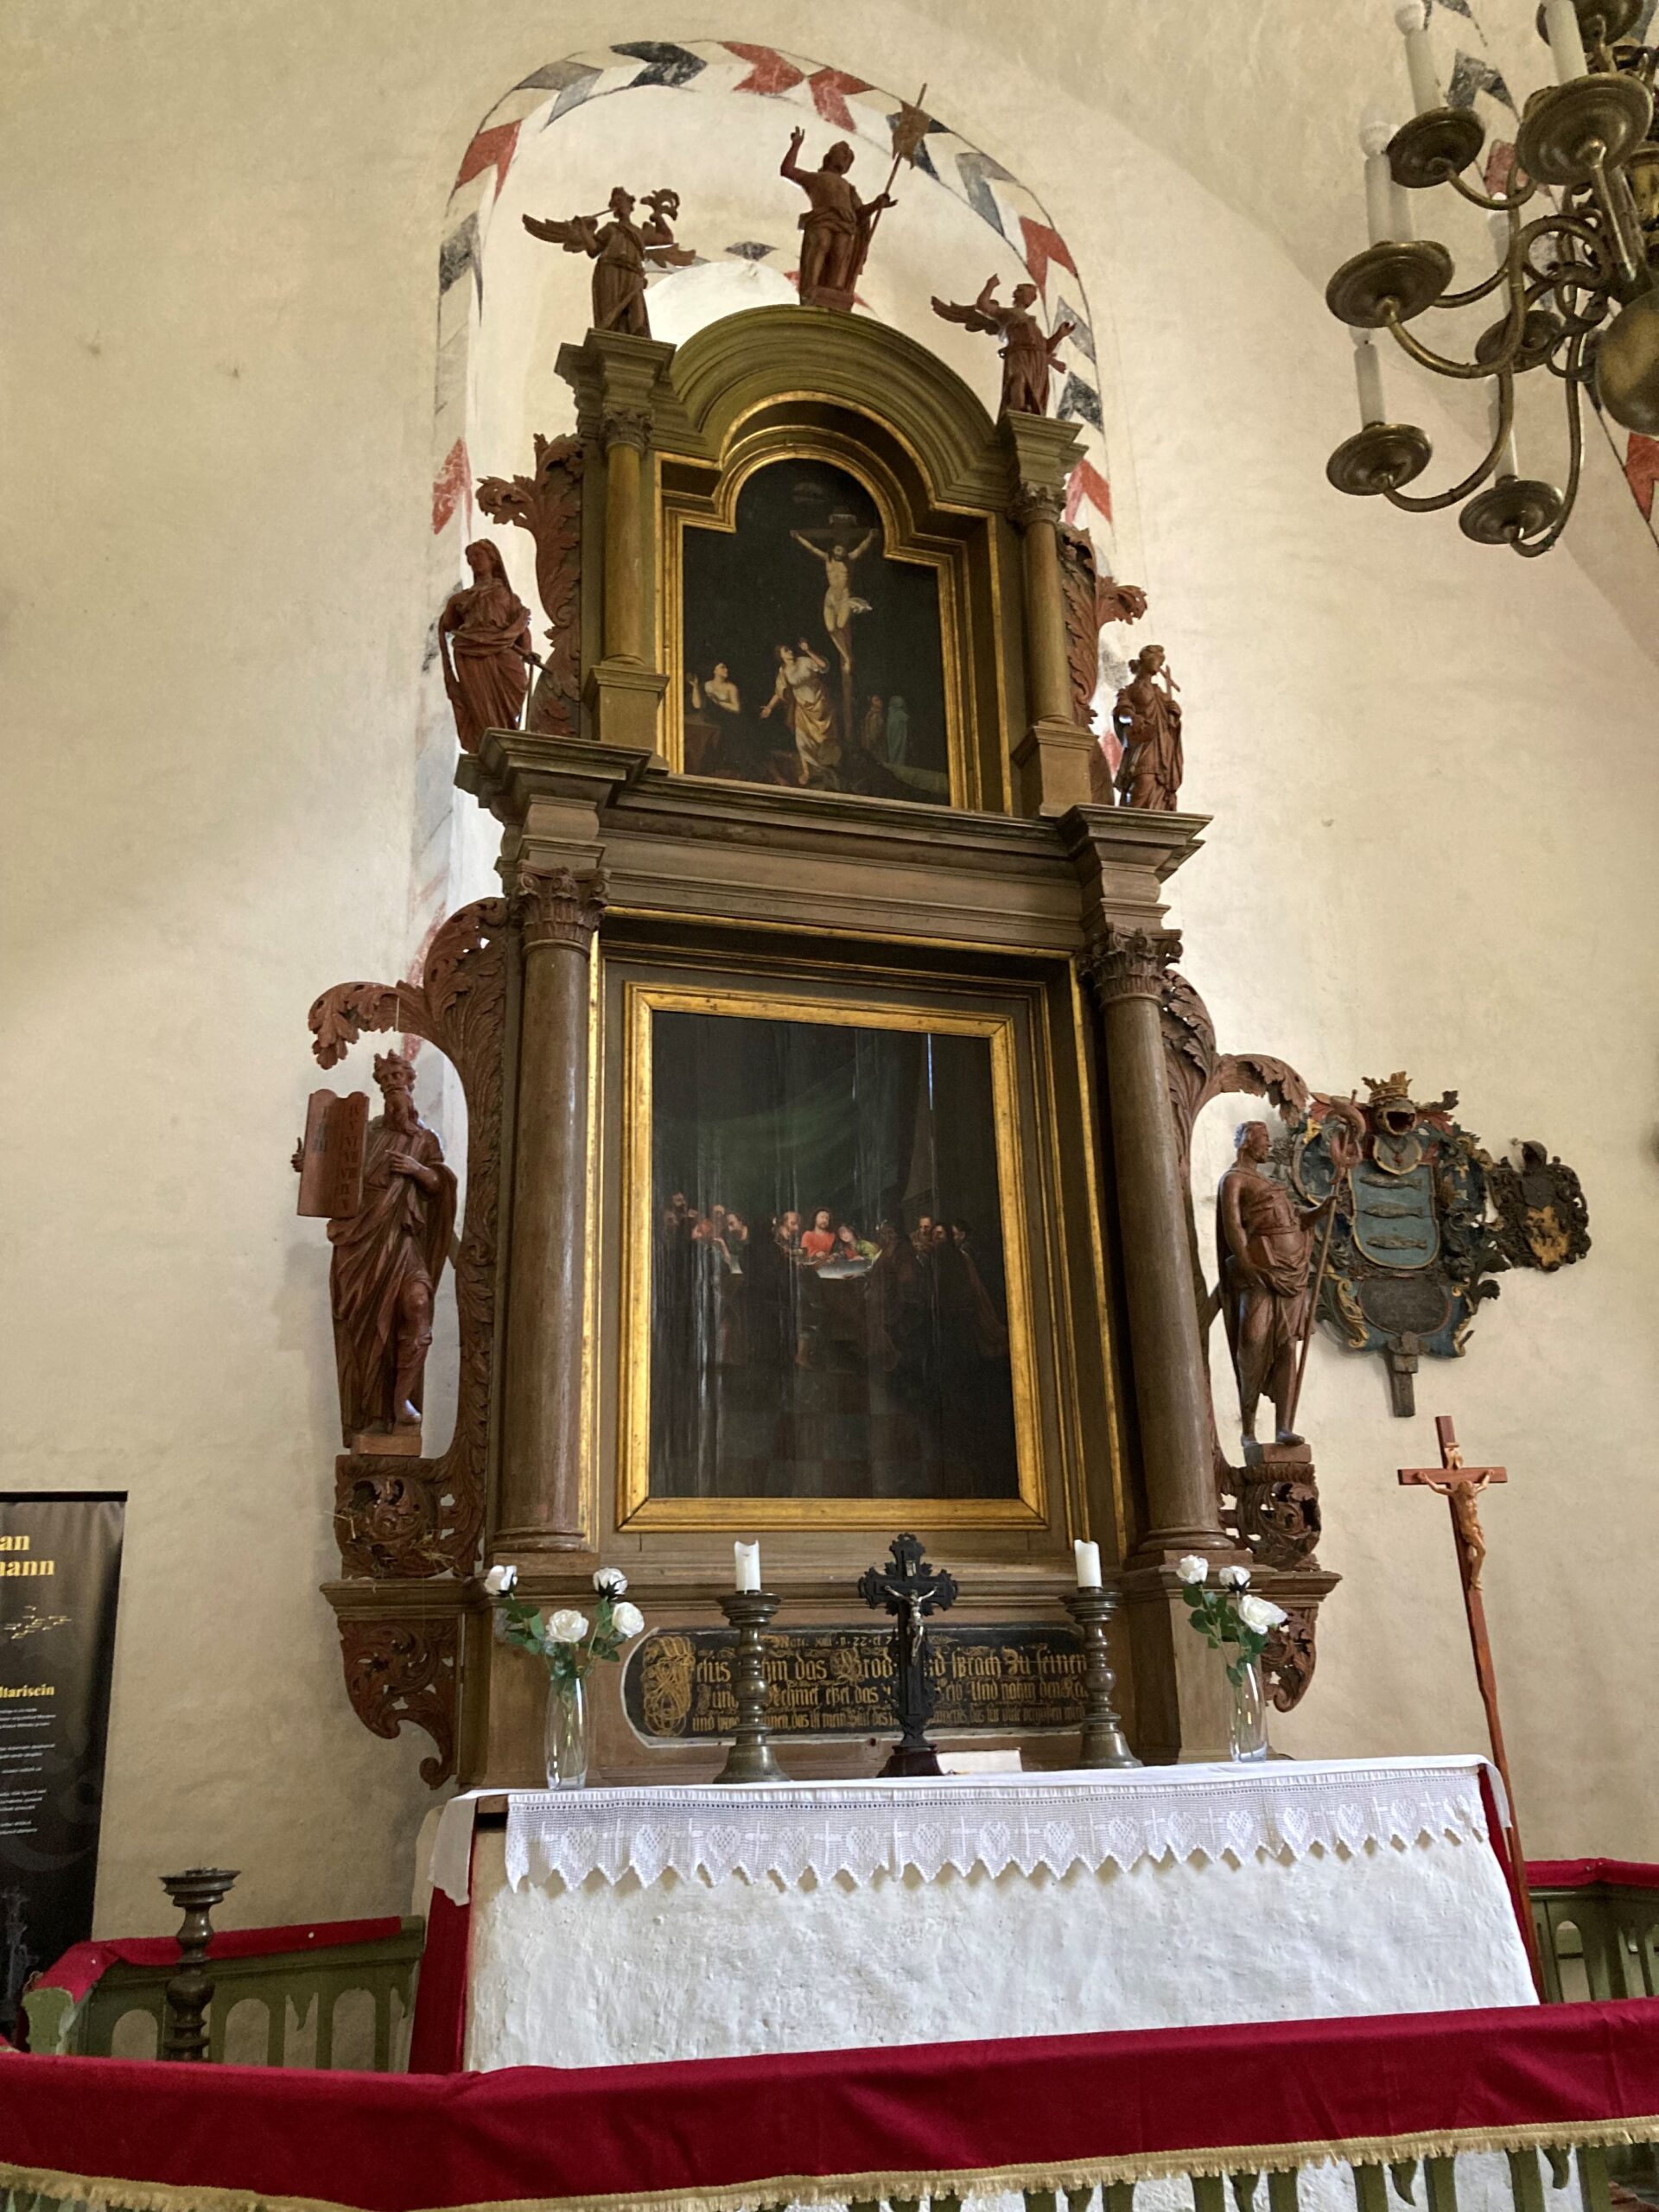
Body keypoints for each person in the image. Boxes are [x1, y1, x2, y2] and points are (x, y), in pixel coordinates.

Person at [319, 1053, 457, 1443]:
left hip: (404, 1239)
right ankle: (371, 1410)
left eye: (400, 1078)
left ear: (411, 1085)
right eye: (388, 1080)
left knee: (417, 1304)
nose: (395, 1086)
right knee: (366, 1331)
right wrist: (309, 1167)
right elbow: (335, 1178)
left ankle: (401, 1401)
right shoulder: (363, 1134)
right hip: (361, 1243)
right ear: (382, 1090)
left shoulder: (425, 1140)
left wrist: (417, 1170)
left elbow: (440, 1185)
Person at [1217, 1121, 1353, 1449]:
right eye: (1264, 1139)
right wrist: (1247, 1265)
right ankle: (1248, 1429)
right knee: (1252, 1342)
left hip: (1292, 1274)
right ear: (1247, 1141)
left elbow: (1297, 1220)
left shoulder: (1271, 1184)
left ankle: (1284, 1427)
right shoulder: (1235, 1179)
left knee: (1287, 1347)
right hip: (1261, 1272)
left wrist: (1322, 1209)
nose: (1269, 1145)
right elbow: (1233, 1225)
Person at [779, 131, 894, 307]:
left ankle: (832, 292)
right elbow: (787, 171)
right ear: (828, 158)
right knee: (821, 244)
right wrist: (796, 145)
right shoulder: (815, 178)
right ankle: (811, 288)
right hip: (822, 218)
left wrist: (876, 204)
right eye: (842, 154)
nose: (845, 158)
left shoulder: (848, 187)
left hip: (845, 224)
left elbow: (859, 213)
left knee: (840, 254)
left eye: (848, 159)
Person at [438, 541, 533, 753]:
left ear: (493, 559)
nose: (473, 561)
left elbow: (521, 628)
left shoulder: (508, 597)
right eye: (470, 558)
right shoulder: (460, 599)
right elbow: (449, 624)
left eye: (478, 555)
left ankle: (507, 737)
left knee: (519, 683)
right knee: (480, 704)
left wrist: (527, 652)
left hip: (503, 648)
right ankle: (488, 745)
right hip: (471, 652)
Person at [790, 529, 875, 677]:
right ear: (833, 550)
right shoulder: (827, 558)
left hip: (844, 597)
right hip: (830, 597)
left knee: (841, 625)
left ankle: (848, 657)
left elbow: (861, 548)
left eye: (842, 550)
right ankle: (848, 657)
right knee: (831, 629)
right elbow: (811, 548)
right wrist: (798, 537)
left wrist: (870, 536)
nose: (839, 552)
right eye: (837, 549)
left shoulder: (849, 559)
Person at [1112, 645, 1184, 811]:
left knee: (1160, 786)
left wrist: (1175, 714)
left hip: (1163, 746)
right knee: (1144, 781)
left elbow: (1170, 723)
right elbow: (1121, 712)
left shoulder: (1159, 692)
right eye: (1157, 660)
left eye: (1161, 662)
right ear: (1145, 661)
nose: (1159, 665)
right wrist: (1132, 717)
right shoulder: (1130, 690)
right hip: (1144, 743)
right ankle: (1129, 822)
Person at [760, 641, 841, 785]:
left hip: (820, 704)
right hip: (802, 708)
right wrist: (770, 707)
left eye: (790, 649)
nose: (790, 651)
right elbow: (779, 692)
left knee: (823, 740)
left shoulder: (804, 661)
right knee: (802, 741)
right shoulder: (783, 671)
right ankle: (807, 772)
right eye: (786, 650)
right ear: (780, 655)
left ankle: (830, 769)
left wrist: (809, 650)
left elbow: (823, 666)